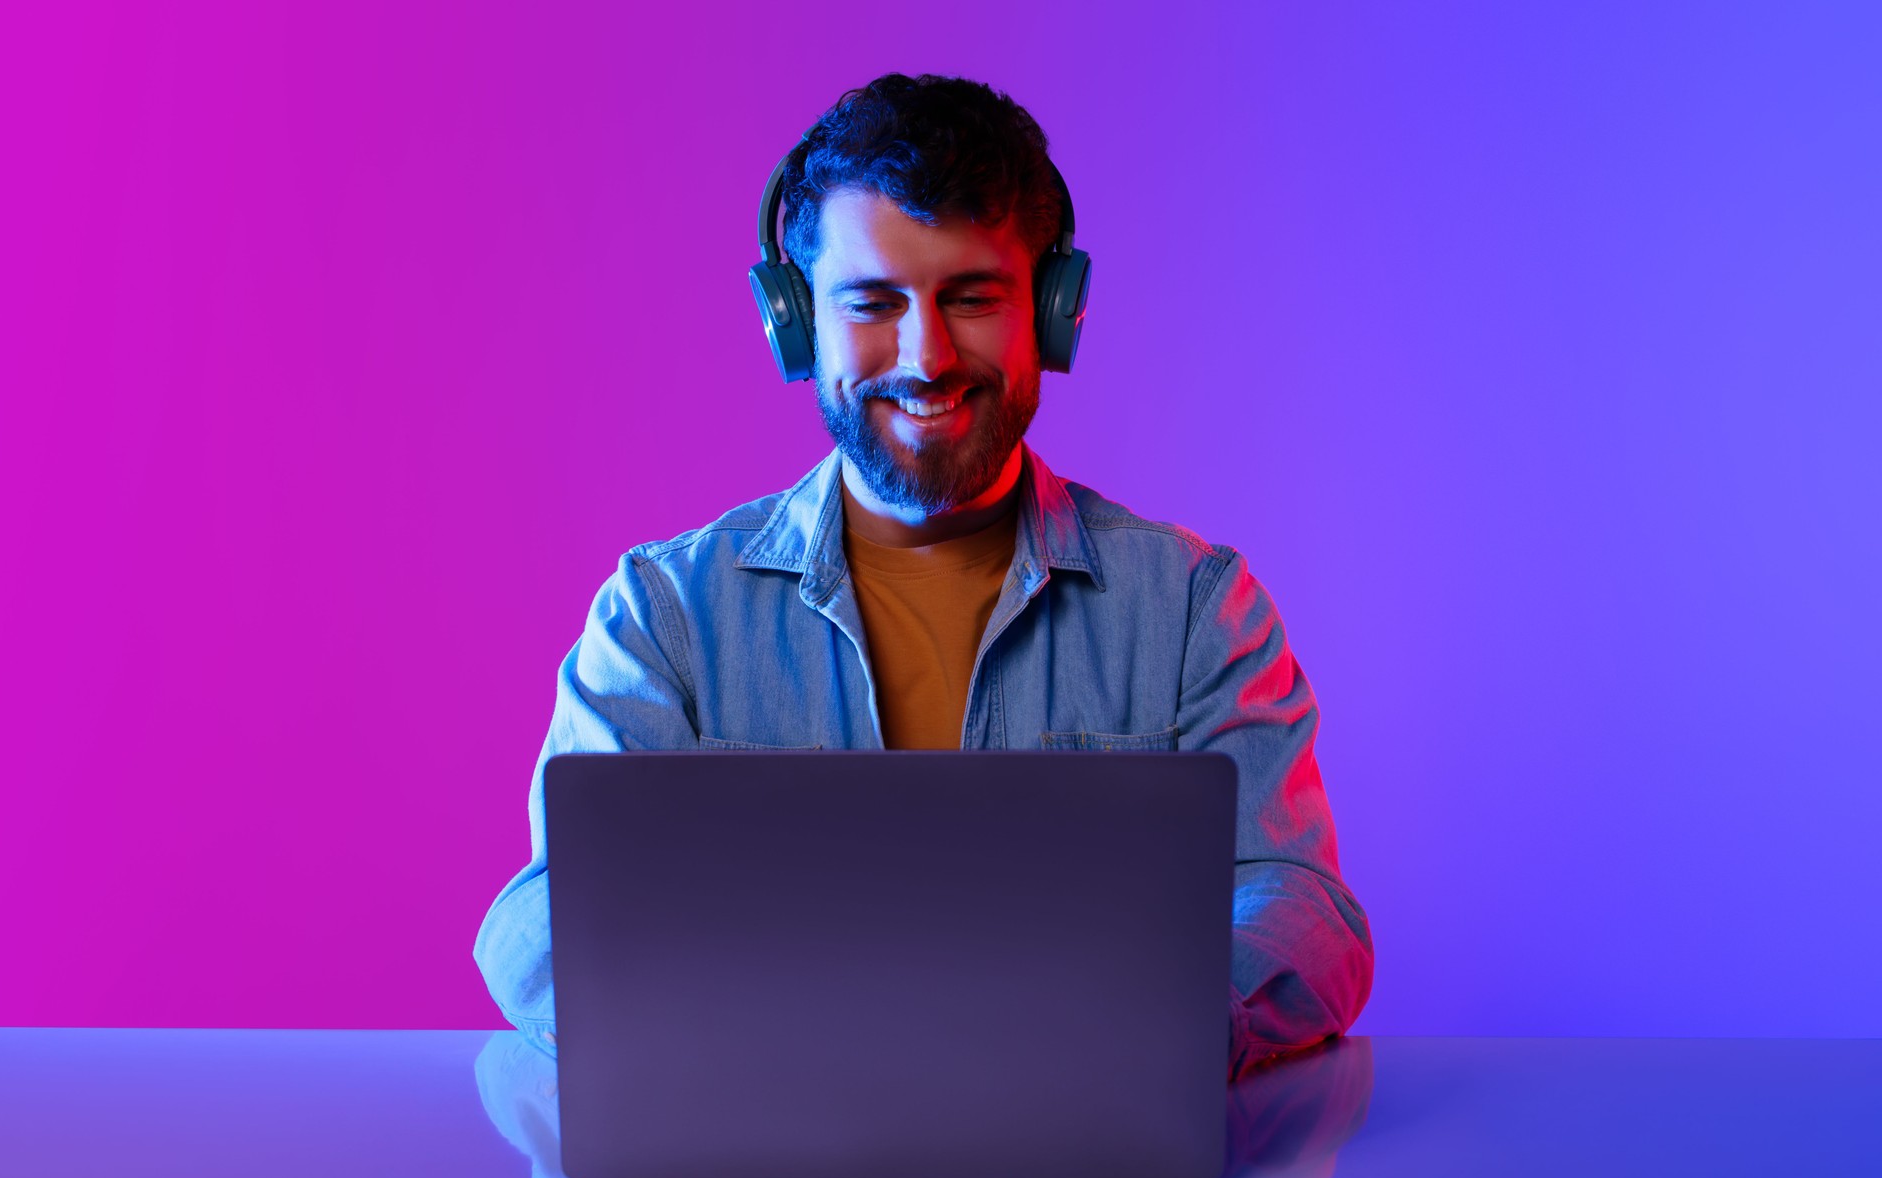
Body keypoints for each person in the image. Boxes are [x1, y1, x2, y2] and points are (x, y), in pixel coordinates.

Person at [473, 73, 1373, 1079]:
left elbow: (1301, 908)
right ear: (798, 323)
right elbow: (538, 929)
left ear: (1054, 311)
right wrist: (810, 1038)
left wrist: (1140, 1034)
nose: (927, 355)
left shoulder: (1198, 609)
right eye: (873, 302)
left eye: (972, 298)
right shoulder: (665, 617)